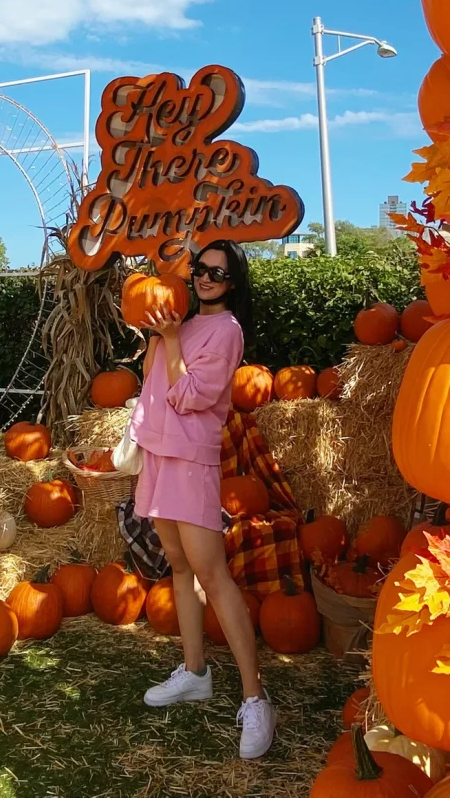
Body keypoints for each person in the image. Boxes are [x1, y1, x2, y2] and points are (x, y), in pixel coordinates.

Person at [129, 240, 276, 760]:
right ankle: (195, 672)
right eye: (200, 268)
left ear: (232, 281)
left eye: (218, 271)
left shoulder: (226, 330)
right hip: (159, 454)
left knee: (213, 574)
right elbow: (151, 383)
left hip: (191, 459)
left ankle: (256, 697)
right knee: (178, 566)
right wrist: (159, 335)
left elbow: (191, 397)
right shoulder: (181, 322)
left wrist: (170, 342)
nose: (206, 276)